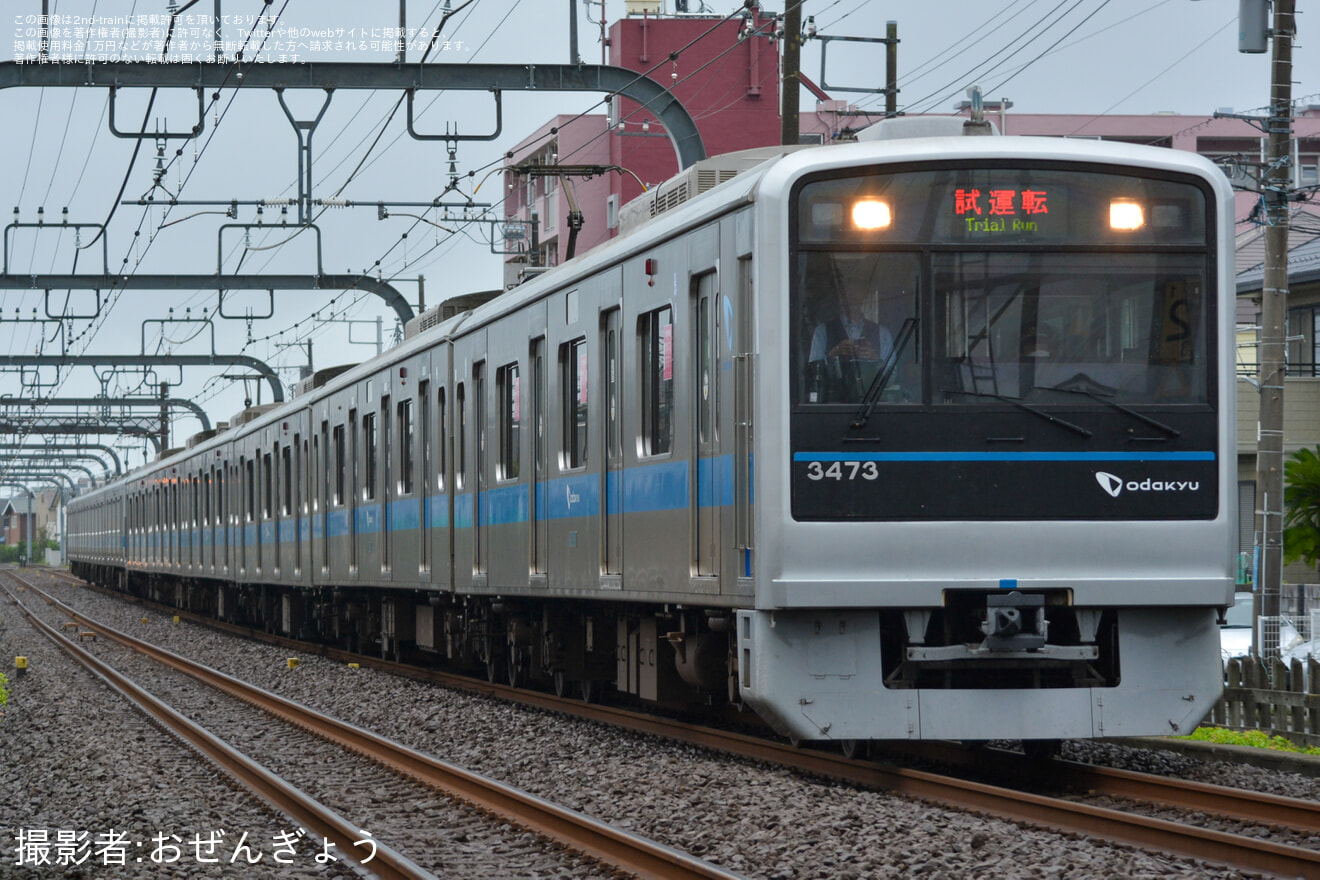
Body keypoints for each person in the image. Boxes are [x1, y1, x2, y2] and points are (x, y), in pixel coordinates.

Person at [806, 285, 894, 402]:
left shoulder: (882, 333)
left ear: (865, 295)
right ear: (840, 296)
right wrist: (833, 355)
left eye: (857, 288)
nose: (852, 295)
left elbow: (891, 379)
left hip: (871, 408)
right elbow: (813, 377)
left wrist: (875, 360)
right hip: (831, 409)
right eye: (847, 288)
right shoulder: (822, 332)